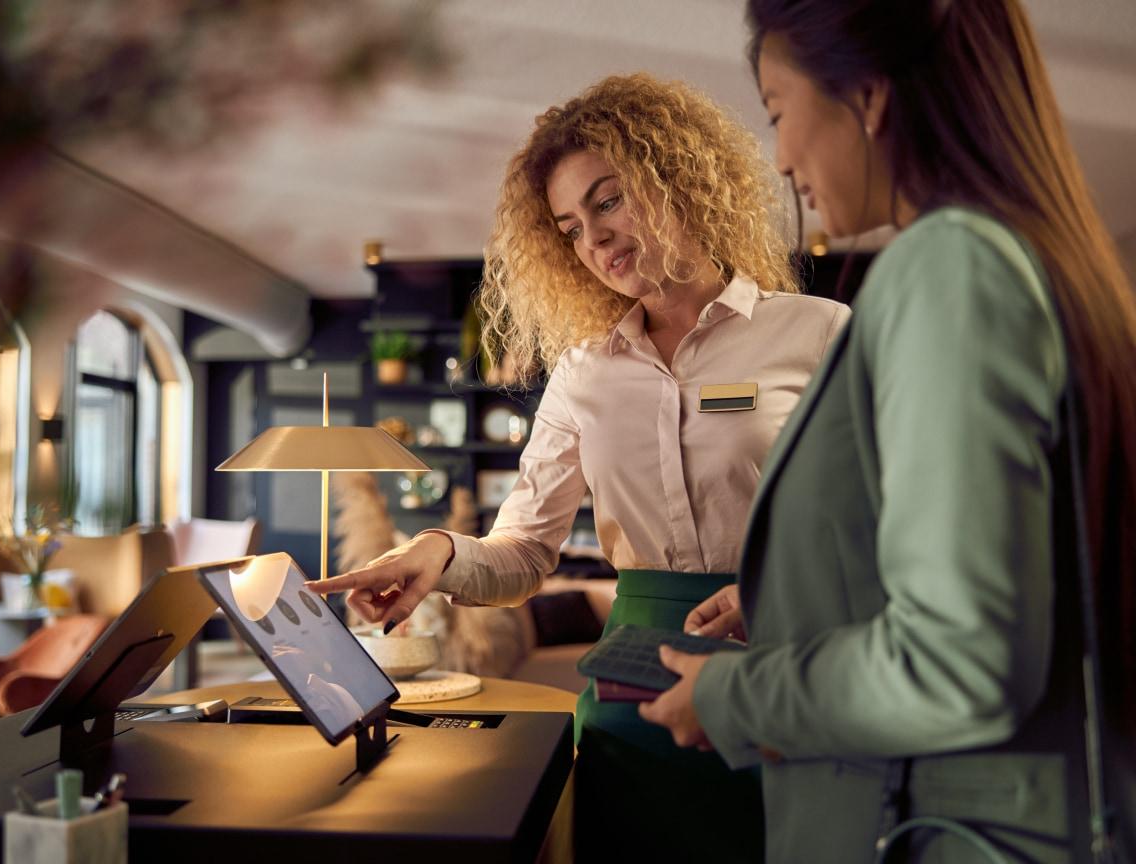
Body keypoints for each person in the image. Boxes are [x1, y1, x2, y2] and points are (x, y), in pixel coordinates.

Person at [639, 1, 1136, 861]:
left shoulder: (948, 265)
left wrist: (737, 698)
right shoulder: (1028, 257)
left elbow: (958, 663)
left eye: (779, 111)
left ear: (867, 96)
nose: (782, 157)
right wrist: (797, 596)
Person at [311, 72, 848, 860]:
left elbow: (881, 523)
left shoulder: (818, 332)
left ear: (682, 179)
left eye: (608, 200)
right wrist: (439, 552)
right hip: (633, 691)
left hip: (790, 668)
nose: (592, 240)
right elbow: (526, 552)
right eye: (568, 226)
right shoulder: (583, 373)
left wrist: (783, 587)